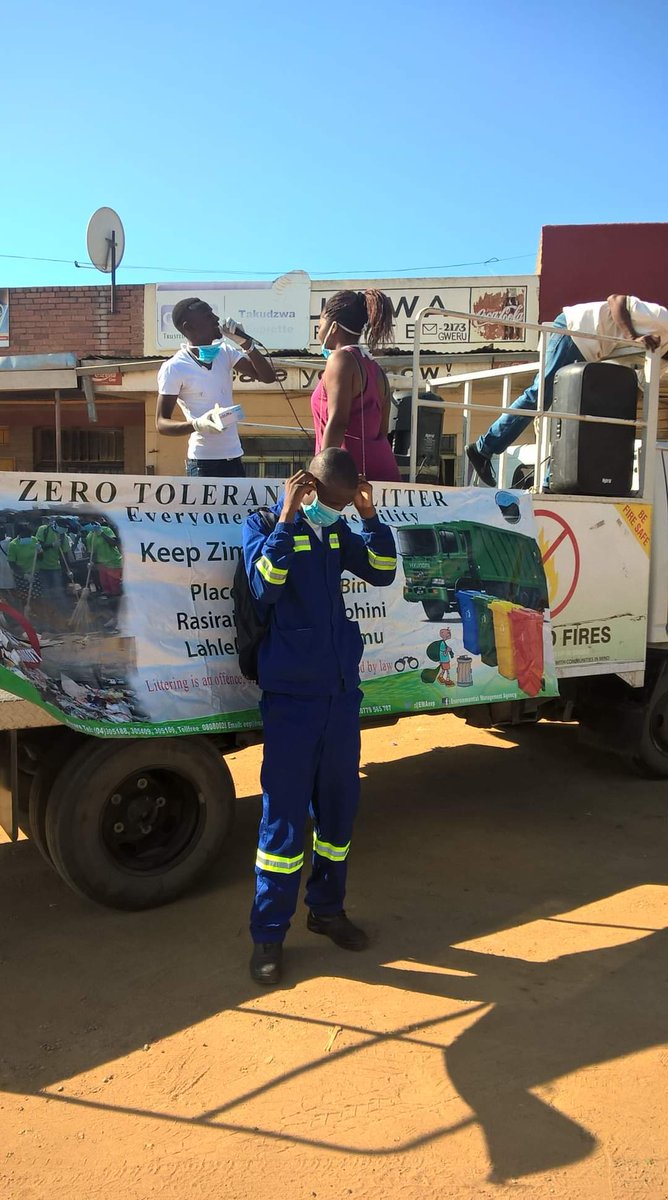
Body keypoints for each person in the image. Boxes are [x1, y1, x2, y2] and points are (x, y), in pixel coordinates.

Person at [242, 447, 397, 985]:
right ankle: (268, 936)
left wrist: (369, 517)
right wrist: (288, 519)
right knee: (284, 822)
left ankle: (327, 910)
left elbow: (382, 572)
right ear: (306, 487)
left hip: (339, 697)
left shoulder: (338, 531)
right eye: (331, 502)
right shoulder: (265, 525)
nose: (337, 510)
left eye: (344, 504)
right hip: (291, 701)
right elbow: (264, 587)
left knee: (337, 814)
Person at [467, 294, 668, 487]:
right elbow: (616, 300)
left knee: (577, 417)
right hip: (574, 332)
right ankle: (484, 448)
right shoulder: (663, 320)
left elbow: (640, 385)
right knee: (540, 395)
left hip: (591, 353)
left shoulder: (661, 356)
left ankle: (551, 480)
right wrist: (633, 336)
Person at [156, 297, 277, 478]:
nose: (216, 319)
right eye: (208, 316)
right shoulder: (174, 367)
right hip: (203, 463)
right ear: (189, 327)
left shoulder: (225, 352)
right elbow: (161, 423)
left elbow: (268, 377)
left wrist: (245, 343)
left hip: (234, 456)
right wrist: (197, 424)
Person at [312, 289, 402, 482]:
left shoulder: (340, 360)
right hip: (383, 470)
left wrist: (320, 475)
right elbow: (382, 431)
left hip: (348, 475)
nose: (318, 332)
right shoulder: (376, 369)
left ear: (333, 327)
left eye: (319, 325)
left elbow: (338, 422)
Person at [36, 518, 72, 630]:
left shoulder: (63, 536)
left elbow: (64, 554)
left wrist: (68, 570)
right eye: (62, 527)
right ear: (56, 524)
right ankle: (49, 617)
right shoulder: (44, 530)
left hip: (55, 567)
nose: (63, 529)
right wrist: (52, 545)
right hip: (42, 567)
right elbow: (39, 546)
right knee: (46, 593)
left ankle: (64, 616)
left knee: (58, 592)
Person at [7, 525, 41, 609]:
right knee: (24, 597)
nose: (28, 537)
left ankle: (37, 611)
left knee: (37, 596)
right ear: (20, 534)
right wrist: (24, 575)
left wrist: (40, 551)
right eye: (26, 535)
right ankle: (25, 612)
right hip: (21, 575)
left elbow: (41, 558)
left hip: (34, 572)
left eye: (29, 535)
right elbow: (12, 563)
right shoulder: (13, 545)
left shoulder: (34, 540)